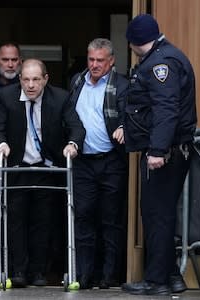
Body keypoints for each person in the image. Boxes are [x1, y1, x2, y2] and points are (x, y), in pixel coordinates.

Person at [0, 58, 85, 287]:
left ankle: (39, 272)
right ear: (20, 79)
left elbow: (76, 126)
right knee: (16, 222)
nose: (30, 85)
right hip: (17, 168)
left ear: (45, 79)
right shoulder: (6, 97)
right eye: (26, 80)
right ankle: (19, 271)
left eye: (35, 80)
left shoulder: (60, 98)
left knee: (43, 222)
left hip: (47, 168)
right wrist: (1, 143)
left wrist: (73, 144)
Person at [120, 14, 197, 296]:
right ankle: (173, 277)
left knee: (156, 216)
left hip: (165, 153)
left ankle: (157, 281)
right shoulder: (165, 57)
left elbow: (166, 109)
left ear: (134, 42)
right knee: (160, 215)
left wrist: (157, 150)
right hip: (169, 149)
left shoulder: (160, 64)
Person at [69, 38, 128, 290]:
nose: (94, 65)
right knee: (83, 217)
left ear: (111, 61)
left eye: (100, 60)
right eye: (91, 59)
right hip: (82, 162)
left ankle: (109, 275)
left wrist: (125, 127)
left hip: (111, 160)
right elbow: (68, 116)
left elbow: (133, 115)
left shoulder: (123, 86)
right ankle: (84, 275)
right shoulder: (76, 82)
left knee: (110, 219)